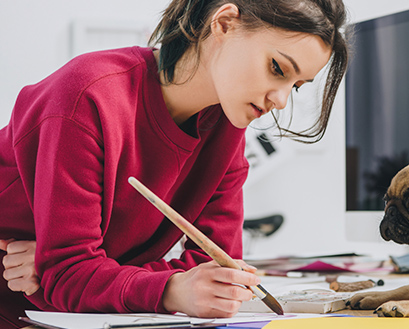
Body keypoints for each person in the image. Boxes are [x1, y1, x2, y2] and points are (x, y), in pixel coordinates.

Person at [0, 0, 349, 327]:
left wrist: (76, 271)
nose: (281, 99)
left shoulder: (227, 131)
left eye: (297, 86)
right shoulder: (88, 96)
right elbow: (69, 275)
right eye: (277, 68)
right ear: (224, 23)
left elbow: (214, 271)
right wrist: (168, 288)